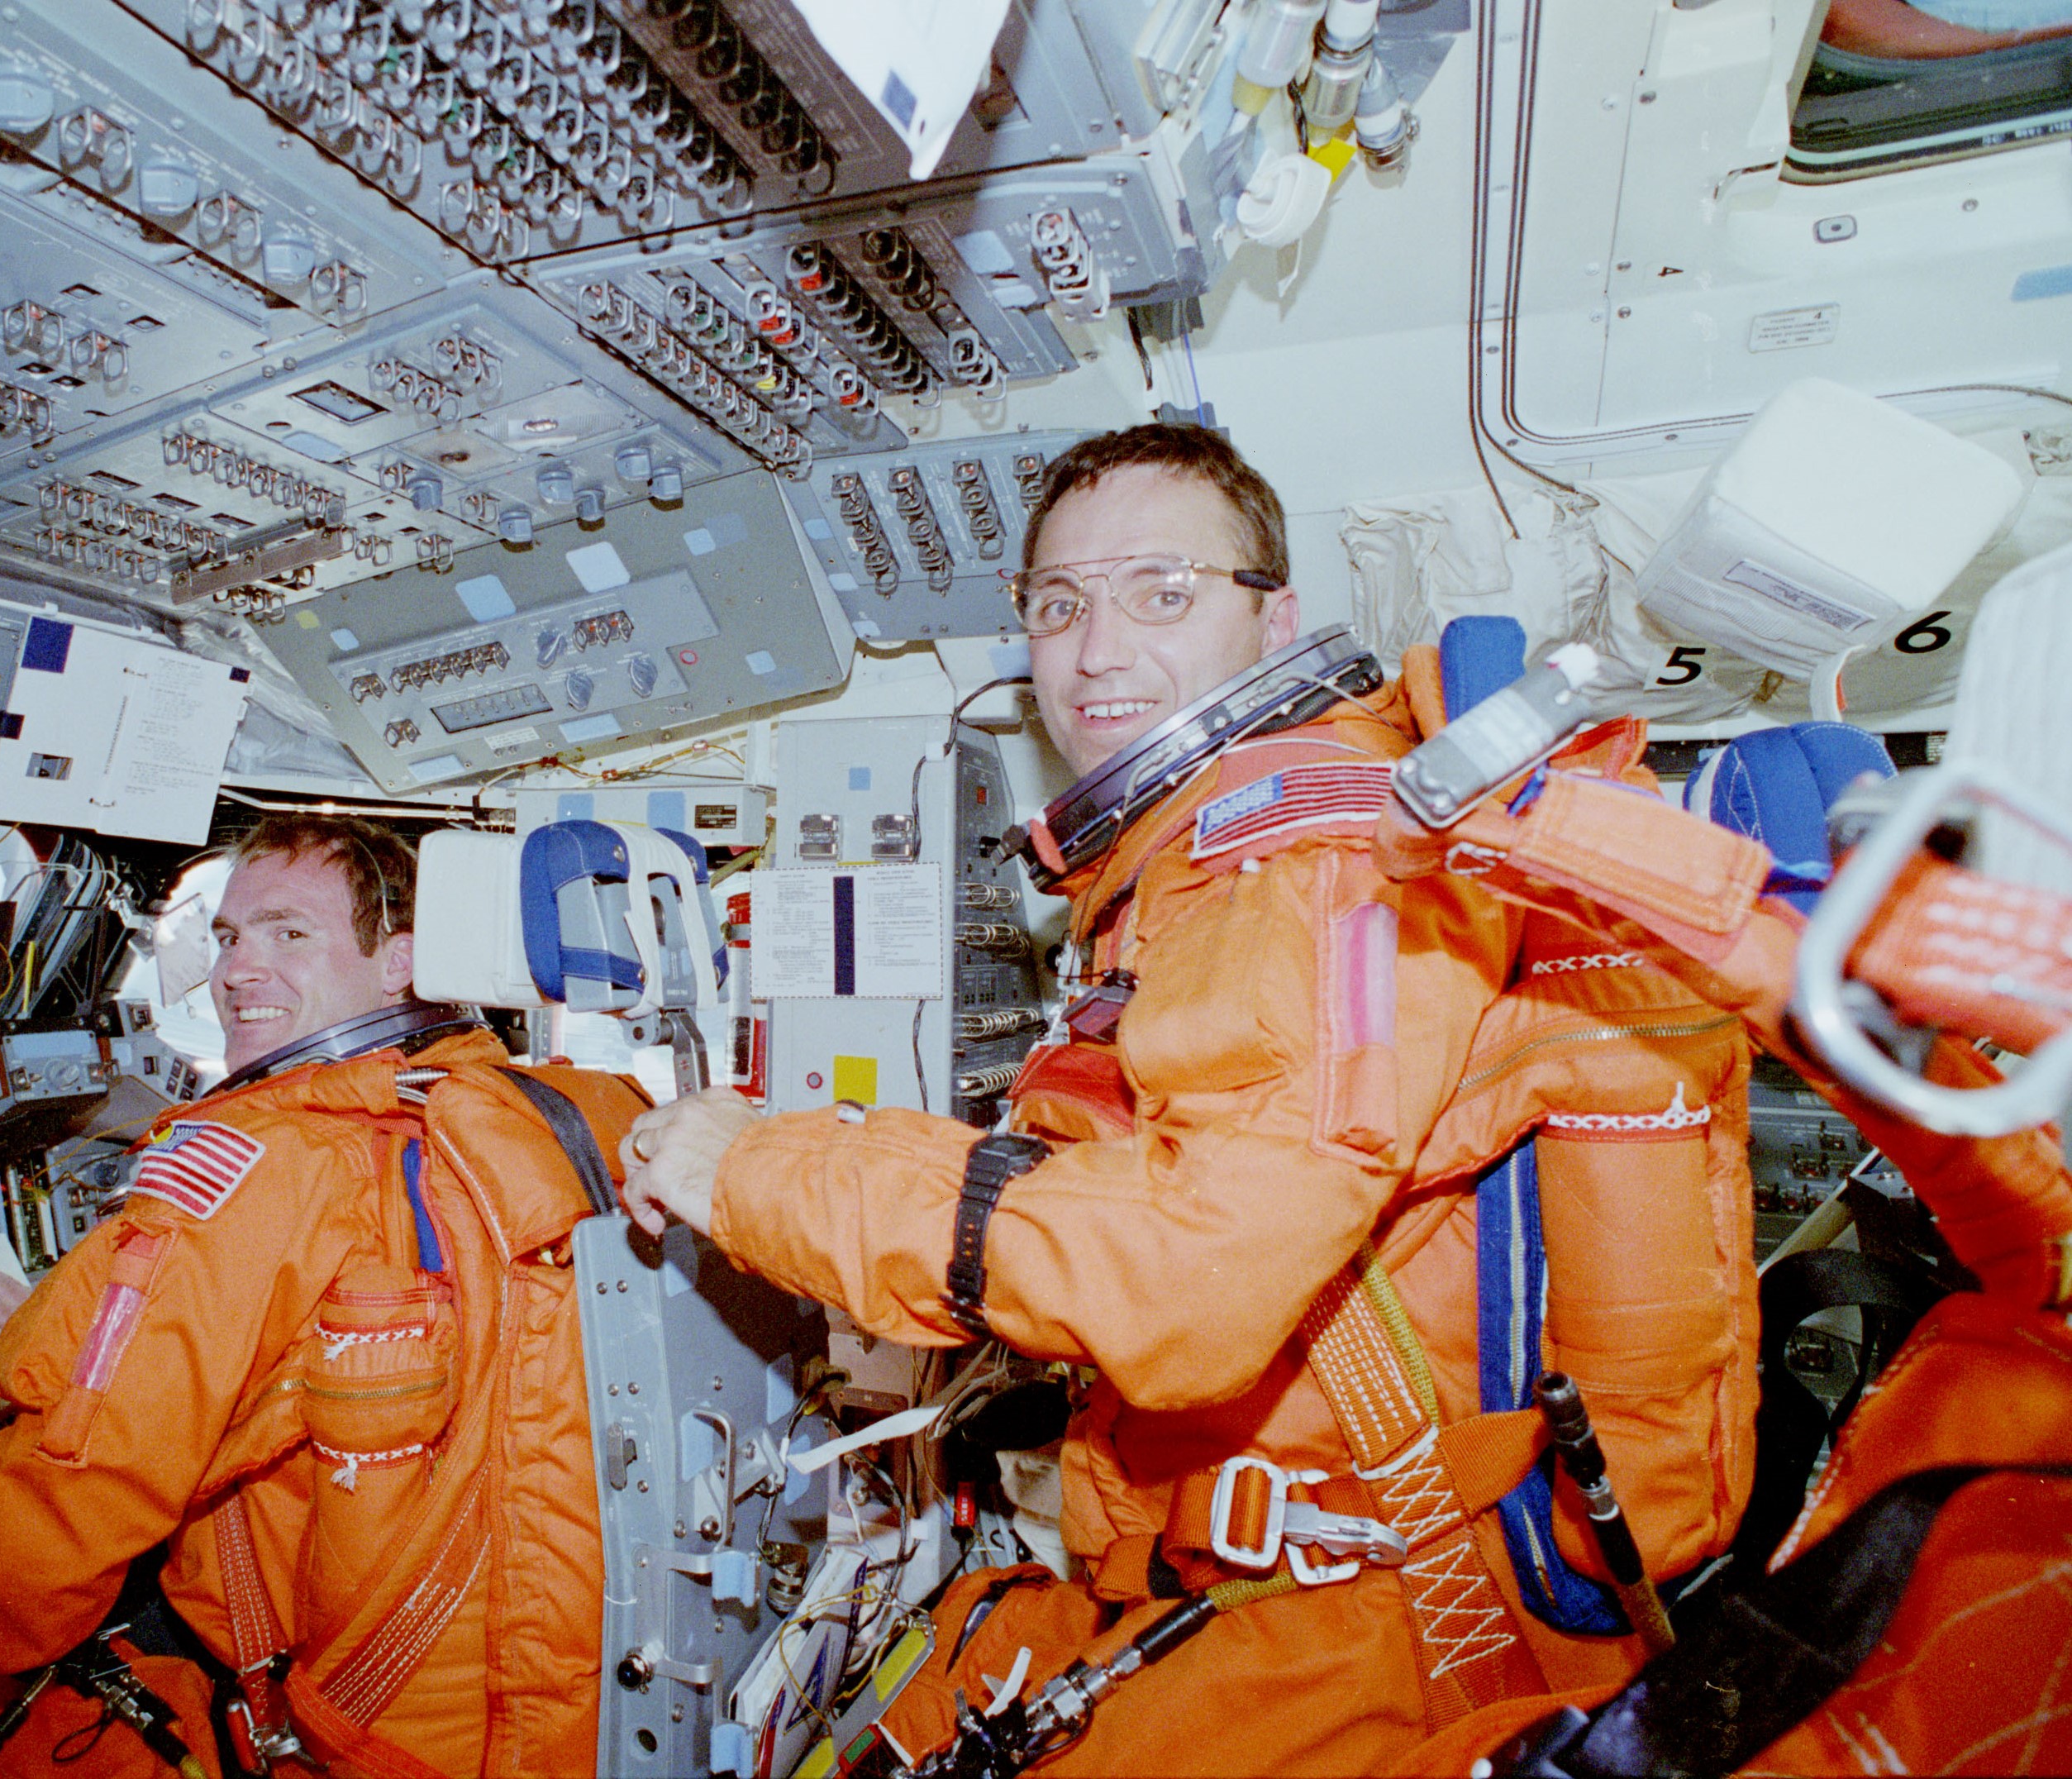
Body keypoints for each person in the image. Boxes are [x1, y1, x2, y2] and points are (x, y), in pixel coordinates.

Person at [621, 423, 1762, 1775]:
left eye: (1163, 592)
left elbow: (1184, 1275)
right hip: (1245, 1570)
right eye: (1059, 603)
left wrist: (751, 1163)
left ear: (1275, 615)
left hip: (1390, 1629)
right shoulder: (1205, 870)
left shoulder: (1316, 859)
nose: (1097, 651)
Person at [0, 814, 650, 1779]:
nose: (235, 970)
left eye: (287, 933)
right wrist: (67, 1314)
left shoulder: (260, 1170)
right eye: (226, 937)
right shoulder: (567, 1113)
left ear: (401, 962)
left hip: (339, 1737)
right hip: (557, 1697)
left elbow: (13, 1582)